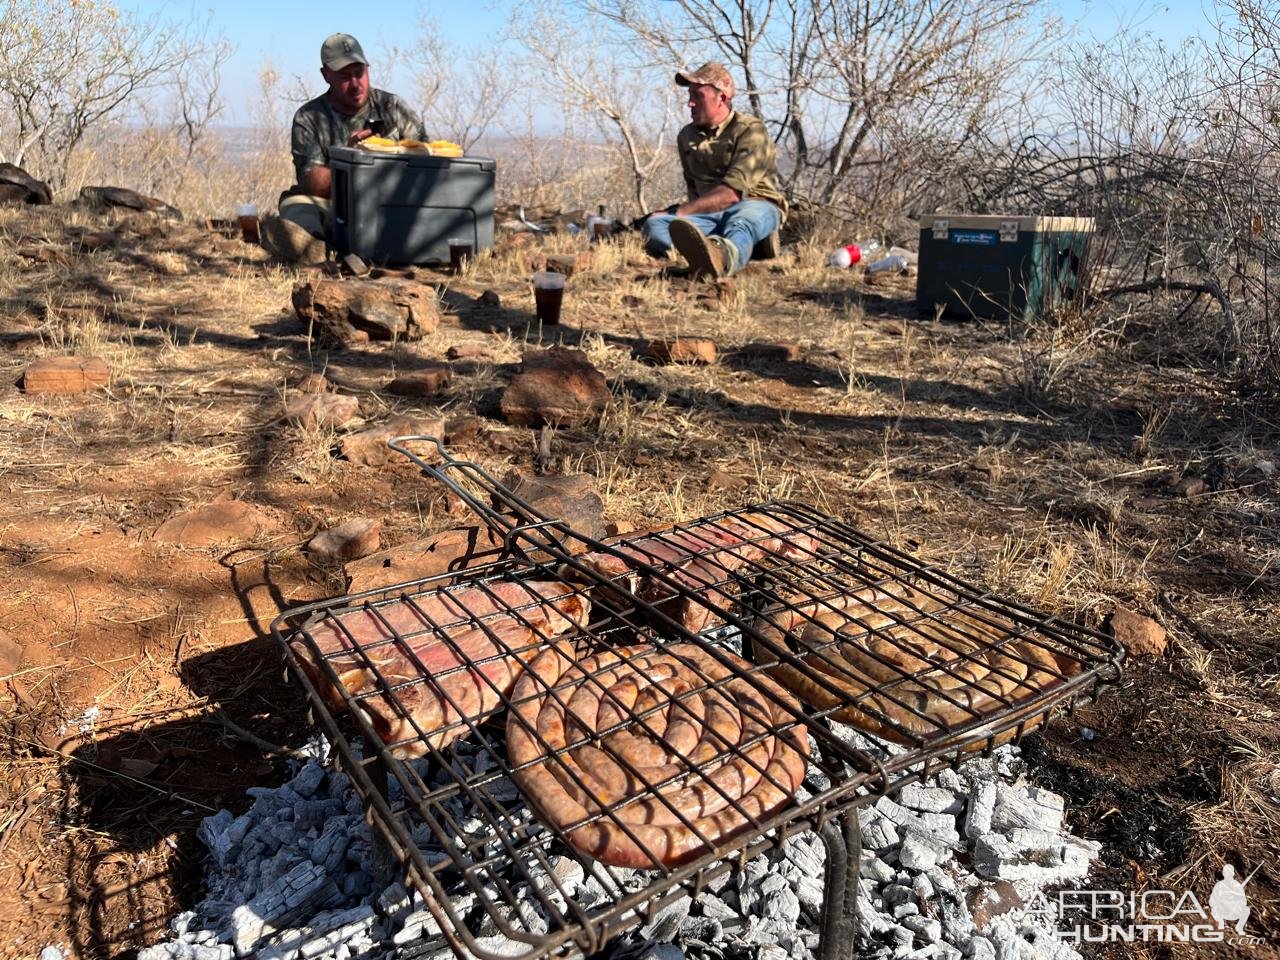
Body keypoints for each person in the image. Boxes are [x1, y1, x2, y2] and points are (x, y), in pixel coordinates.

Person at [260, 33, 427, 263]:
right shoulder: (309, 118)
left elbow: (427, 163)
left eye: (360, 73)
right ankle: (317, 248)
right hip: (334, 205)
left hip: (391, 204)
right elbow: (312, 181)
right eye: (345, 77)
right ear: (326, 75)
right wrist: (350, 162)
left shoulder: (393, 108)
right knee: (296, 205)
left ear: (368, 69)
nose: (356, 84)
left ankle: (347, 249)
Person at [641, 62, 786, 280]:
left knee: (741, 222)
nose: (690, 103)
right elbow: (693, 188)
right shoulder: (686, 136)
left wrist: (680, 212)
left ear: (722, 98)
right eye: (690, 95)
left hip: (753, 203)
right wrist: (682, 218)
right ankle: (741, 246)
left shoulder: (750, 130)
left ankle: (723, 258)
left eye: (698, 96)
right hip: (709, 215)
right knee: (655, 226)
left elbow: (732, 193)